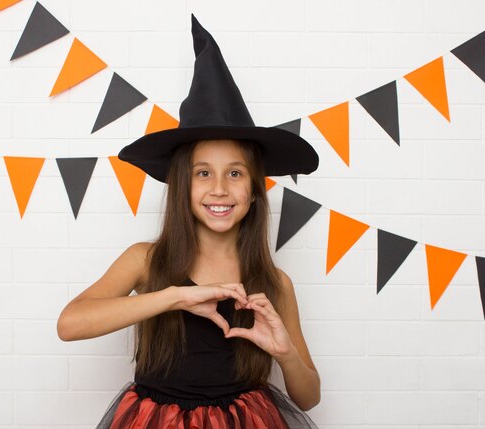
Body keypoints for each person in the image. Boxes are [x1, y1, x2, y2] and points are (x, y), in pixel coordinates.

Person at [57, 15, 321, 428]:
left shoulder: (275, 283)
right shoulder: (146, 260)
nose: (219, 188)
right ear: (182, 187)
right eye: (203, 173)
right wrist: (175, 296)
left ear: (253, 190)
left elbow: (308, 397)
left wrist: (285, 353)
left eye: (235, 173)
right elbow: (70, 324)